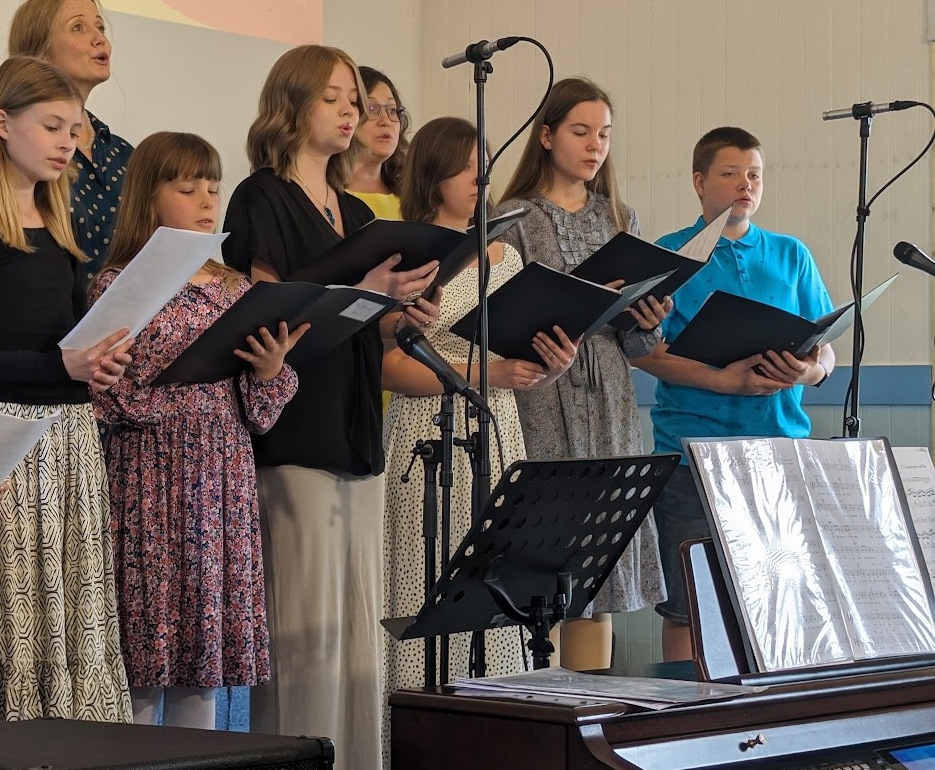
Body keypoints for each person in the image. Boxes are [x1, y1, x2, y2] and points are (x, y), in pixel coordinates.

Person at [223, 43, 439, 770]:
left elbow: (362, 322)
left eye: (357, 99)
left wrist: (401, 314)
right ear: (292, 104)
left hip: (356, 425)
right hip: (293, 429)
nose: (352, 111)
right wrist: (366, 292)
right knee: (304, 640)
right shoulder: (260, 197)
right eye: (334, 97)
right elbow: (269, 318)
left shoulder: (355, 210)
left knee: (357, 643)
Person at [0, 56, 133, 726]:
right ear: (2, 123)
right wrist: (61, 369)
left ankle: (74, 735)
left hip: (72, 437)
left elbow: (67, 341)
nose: (68, 142)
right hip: (4, 433)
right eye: (52, 126)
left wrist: (98, 364)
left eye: (74, 129)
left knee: (73, 608)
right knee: (11, 612)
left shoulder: (61, 223)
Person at [381, 117, 576, 763]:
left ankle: (499, 738)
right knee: (429, 582)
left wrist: (552, 361)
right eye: (467, 167)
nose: (480, 180)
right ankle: (422, 739)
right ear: (432, 172)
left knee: (497, 585)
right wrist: (486, 373)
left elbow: (520, 360)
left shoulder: (506, 255)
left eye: (485, 166)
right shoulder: (411, 255)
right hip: (428, 430)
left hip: (497, 429)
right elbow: (388, 366)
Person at [92, 131, 303, 729]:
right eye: (188, 189)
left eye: (213, 187)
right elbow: (105, 395)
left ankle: (195, 760)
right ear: (148, 196)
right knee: (145, 657)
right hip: (151, 479)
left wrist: (269, 370)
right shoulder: (119, 283)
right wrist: (181, 393)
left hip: (221, 481)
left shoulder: (235, 287)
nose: (208, 200)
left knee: (201, 662)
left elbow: (259, 411)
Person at [630, 126, 835, 662]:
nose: (746, 184)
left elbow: (826, 348)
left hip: (779, 452)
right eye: (730, 173)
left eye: (755, 175)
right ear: (699, 182)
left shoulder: (791, 254)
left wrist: (809, 373)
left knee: (779, 599)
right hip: (691, 457)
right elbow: (642, 352)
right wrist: (724, 380)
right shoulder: (668, 255)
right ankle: (685, 709)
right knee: (689, 608)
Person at [496, 77, 670, 670]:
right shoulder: (514, 218)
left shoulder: (620, 216)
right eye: (581, 132)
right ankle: (541, 701)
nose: (596, 145)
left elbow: (639, 346)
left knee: (599, 575)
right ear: (546, 136)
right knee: (545, 561)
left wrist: (648, 317)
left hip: (611, 397)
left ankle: (590, 705)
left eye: (605, 134)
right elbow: (502, 318)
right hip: (542, 395)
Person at [9, 0, 134, 280]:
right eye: (78, 27)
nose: (100, 39)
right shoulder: (20, 151)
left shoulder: (124, 153)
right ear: (41, 53)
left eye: (100, 27)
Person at [346, 66, 410, 221]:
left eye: (392, 110)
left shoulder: (411, 196)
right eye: (371, 108)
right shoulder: (324, 195)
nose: (386, 121)